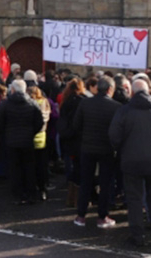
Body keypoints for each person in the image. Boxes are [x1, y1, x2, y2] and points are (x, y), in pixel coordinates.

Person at [109, 79, 151, 247]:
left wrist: (121, 148)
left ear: (132, 92)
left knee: (134, 199)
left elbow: (114, 135)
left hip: (131, 160)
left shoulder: (124, 111)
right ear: (148, 91)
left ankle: (137, 235)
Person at [72, 76, 122, 228]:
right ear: (109, 89)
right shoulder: (116, 106)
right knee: (106, 183)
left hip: (87, 147)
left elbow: (76, 125)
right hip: (107, 149)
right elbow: (118, 131)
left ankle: (81, 215)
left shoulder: (85, 103)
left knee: (86, 181)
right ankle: (102, 216)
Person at [0, 79, 44, 205]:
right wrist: (31, 133)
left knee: (14, 168)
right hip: (27, 140)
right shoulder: (32, 103)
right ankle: (30, 193)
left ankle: (17, 194)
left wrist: (6, 133)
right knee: (29, 168)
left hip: (11, 141)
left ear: (12, 90)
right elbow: (39, 122)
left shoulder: (5, 104)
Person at [58, 77, 87, 207]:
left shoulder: (65, 102)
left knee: (75, 167)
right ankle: (80, 199)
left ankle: (71, 198)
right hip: (80, 140)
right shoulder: (83, 101)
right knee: (82, 168)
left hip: (69, 141)